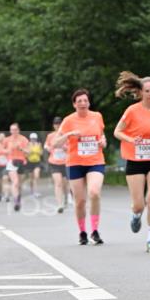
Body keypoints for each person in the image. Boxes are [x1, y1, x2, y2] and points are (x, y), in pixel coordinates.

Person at [114, 73, 150, 253]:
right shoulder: (132, 111)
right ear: (140, 92)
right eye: (147, 91)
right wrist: (131, 140)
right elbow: (117, 132)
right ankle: (136, 214)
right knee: (139, 204)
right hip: (135, 160)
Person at [53, 90, 107, 245]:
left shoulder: (97, 116)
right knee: (80, 201)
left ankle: (95, 231)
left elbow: (102, 137)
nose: (83, 103)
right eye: (79, 101)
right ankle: (82, 232)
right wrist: (69, 134)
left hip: (95, 160)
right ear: (74, 104)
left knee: (94, 192)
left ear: (89, 102)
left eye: (85, 100)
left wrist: (103, 142)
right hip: (75, 163)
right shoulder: (68, 120)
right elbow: (55, 143)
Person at [3, 123, 30, 211]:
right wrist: (8, 150)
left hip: (21, 161)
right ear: (10, 131)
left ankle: (18, 198)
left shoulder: (23, 139)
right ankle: (16, 202)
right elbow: (2, 150)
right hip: (11, 161)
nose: (13, 131)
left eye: (15, 130)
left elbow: (28, 152)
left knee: (19, 184)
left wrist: (21, 149)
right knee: (15, 182)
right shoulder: (7, 140)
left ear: (18, 130)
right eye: (12, 130)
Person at [45, 117, 68, 212]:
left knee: (64, 184)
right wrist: (49, 148)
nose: (57, 126)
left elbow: (72, 146)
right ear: (53, 125)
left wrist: (65, 148)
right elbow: (46, 145)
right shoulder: (50, 136)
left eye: (59, 124)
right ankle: (60, 205)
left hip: (66, 162)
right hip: (54, 162)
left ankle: (66, 196)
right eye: (56, 124)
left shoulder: (66, 135)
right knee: (58, 183)